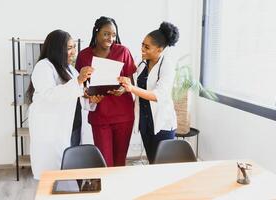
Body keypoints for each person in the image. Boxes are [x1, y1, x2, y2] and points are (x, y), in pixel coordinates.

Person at [27, 29, 95, 179]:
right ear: (57, 48)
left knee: (70, 172)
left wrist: (90, 98)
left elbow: (77, 94)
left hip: (73, 127)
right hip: (53, 130)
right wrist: (78, 82)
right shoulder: (43, 67)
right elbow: (50, 95)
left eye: (74, 47)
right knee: (53, 177)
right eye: (69, 48)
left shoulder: (70, 68)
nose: (73, 52)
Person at [76, 16, 136, 167]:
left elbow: (130, 80)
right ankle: (107, 189)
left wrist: (123, 88)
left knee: (119, 162)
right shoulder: (84, 55)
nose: (110, 38)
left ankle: (119, 190)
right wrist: (87, 94)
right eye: (106, 33)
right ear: (96, 33)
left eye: (113, 35)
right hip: (100, 115)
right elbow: (78, 85)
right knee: (105, 163)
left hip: (123, 114)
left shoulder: (123, 51)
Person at [118, 22, 179, 164]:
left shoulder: (167, 66)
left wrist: (132, 88)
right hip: (146, 123)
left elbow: (158, 95)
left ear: (159, 49)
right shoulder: (142, 64)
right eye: (142, 45)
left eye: (147, 47)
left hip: (162, 123)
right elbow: (137, 85)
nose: (142, 49)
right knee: (152, 161)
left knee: (162, 165)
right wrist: (123, 87)